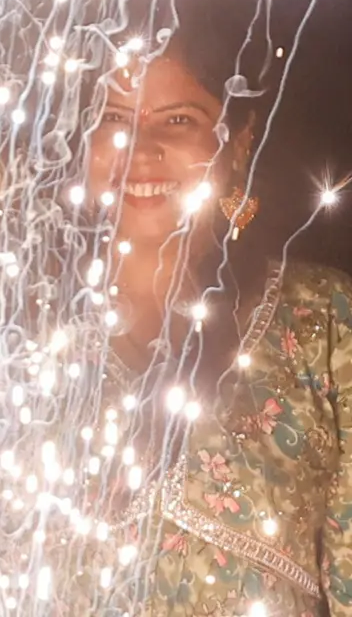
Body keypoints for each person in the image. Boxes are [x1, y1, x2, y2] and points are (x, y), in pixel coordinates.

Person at [67, 39, 352, 615]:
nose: (138, 149)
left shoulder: (324, 321)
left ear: (239, 140)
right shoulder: (15, 331)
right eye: (112, 118)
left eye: (178, 120)